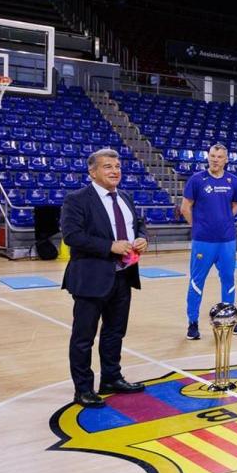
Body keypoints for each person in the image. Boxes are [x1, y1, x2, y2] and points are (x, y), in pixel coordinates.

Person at [61, 148, 149, 408]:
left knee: (114, 333)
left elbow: (138, 223)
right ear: (92, 171)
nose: (115, 171)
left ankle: (111, 378)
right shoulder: (77, 199)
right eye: (108, 166)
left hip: (123, 275)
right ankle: (83, 389)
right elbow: (72, 236)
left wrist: (143, 236)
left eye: (117, 166)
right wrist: (109, 246)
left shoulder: (125, 197)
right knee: (83, 337)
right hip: (91, 277)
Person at [180, 143, 237, 341]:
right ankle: (193, 323)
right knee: (197, 282)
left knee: (229, 280)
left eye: (219, 156)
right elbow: (185, 208)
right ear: (208, 157)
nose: (215, 159)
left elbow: (235, 205)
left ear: (226, 160)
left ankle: (229, 319)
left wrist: (225, 221)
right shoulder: (197, 180)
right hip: (203, 241)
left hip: (227, 241)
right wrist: (198, 227)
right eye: (212, 155)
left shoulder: (233, 180)